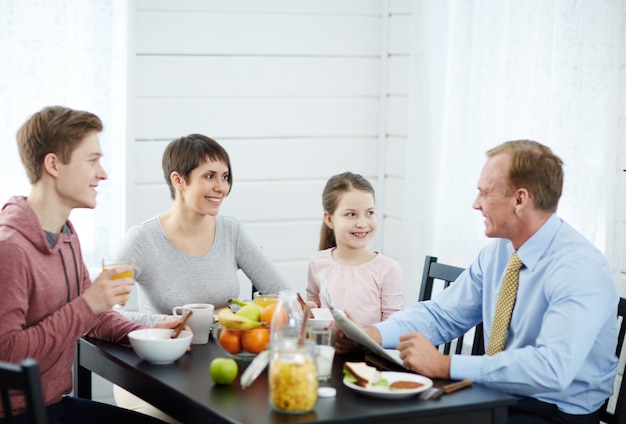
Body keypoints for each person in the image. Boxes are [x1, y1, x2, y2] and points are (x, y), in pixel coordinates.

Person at [337, 140, 618, 424]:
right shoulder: (500, 251)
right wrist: (370, 335)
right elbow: (442, 315)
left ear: (520, 200)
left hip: (553, 412)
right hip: (496, 395)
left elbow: (550, 369)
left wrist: (444, 364)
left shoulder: (580, 269)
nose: (476, 204)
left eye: (484, 193)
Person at [0, 106, 177, 424]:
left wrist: (146, 333)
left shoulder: (65, 233)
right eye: (92, 160)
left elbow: (92, 315)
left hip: (54, 404)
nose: (103, 173)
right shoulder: (10, 248)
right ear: (53, 164)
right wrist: (88, 304)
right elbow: (7, 355)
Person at [112, 134, 292, 422]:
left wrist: (231, 314)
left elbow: (283, 295)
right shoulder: (141, 239)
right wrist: (164, 322)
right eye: (209, 176)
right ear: (178, 180)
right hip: (155, 370)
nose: (220, 187)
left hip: (217, 366)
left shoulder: (231, 232)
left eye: (225, 176)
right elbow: (102, 312)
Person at [306, 171, 404, 326]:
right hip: (328, 349)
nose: (362, 223)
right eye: (351, 214)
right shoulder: (317, 262)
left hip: (369, 350)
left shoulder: (388, 268)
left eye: (369, 213)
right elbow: (314, 312)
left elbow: (392, 326)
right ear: (330, 220)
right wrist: (308, 311)